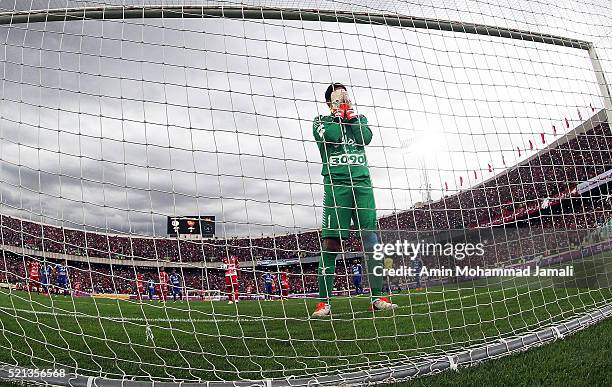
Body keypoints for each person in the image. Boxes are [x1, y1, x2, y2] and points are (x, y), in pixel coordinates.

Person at [311, 83, 397, 317]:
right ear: (329, 102)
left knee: (372, 240)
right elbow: (332, 136)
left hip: (362, 184)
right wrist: (338, 115)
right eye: (338, 95)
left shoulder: (359, 118)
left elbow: (365, 138)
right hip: (337, 185)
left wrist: (350, 116)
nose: (344, 97)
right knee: (331, 245)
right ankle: (323, 302)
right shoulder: (321, 121)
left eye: (346, 94)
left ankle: (377, 298)